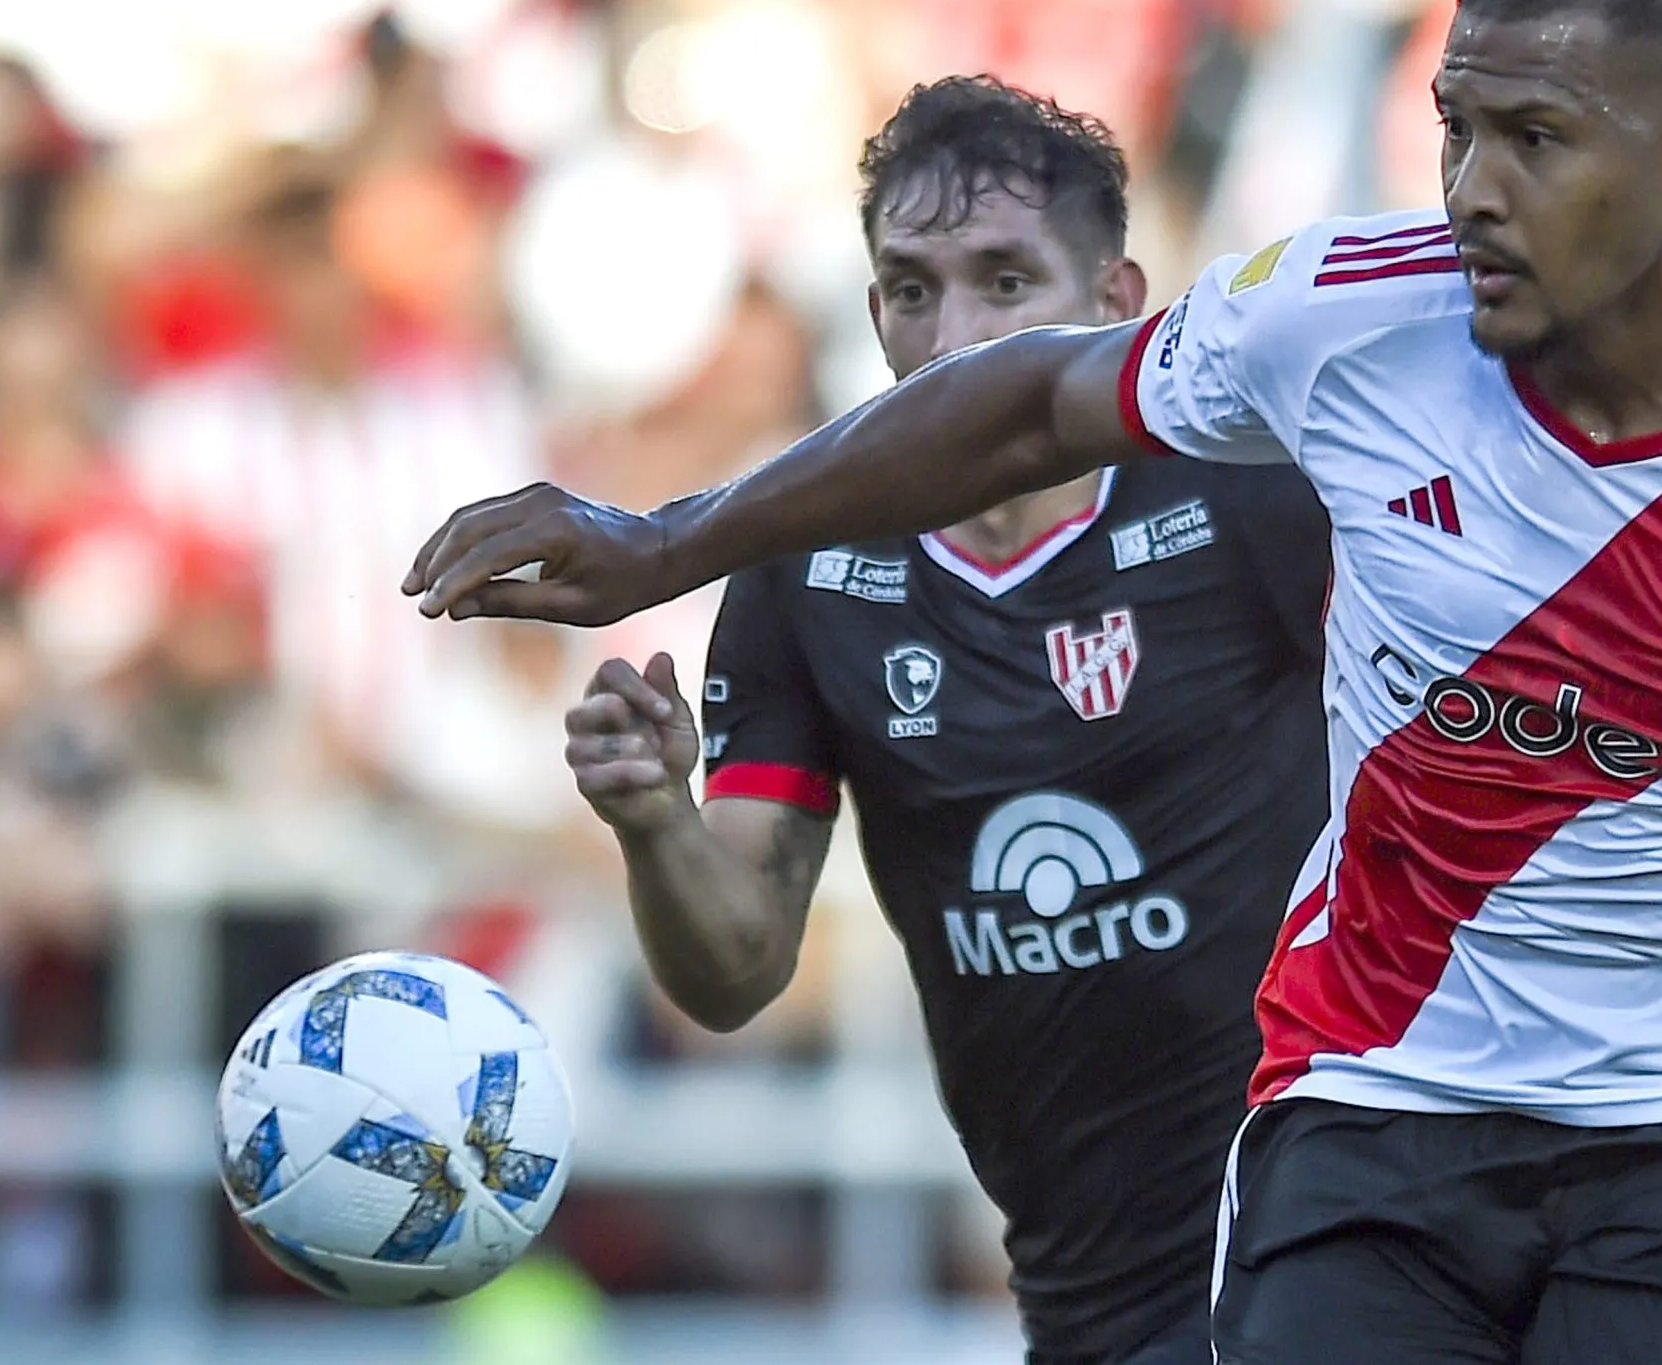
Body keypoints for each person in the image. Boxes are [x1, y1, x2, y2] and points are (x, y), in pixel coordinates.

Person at [408, 0, 1662, 1363]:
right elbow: (1026, 408)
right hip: (1377, 1105)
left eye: (1535, 140)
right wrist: (665, 544)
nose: (1473, 187)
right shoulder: (1343, 329)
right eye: (1455, 127)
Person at [557, 77, 1332, 1365]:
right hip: (1082, 1274)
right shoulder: (807, 571)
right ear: (874, 315)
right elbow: (733, 973)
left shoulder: (1251, 496)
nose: (956, 333)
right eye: (913, 290)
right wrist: (655, 824)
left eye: (1005, 282)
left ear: (1118, 303)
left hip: (1315, 1214)